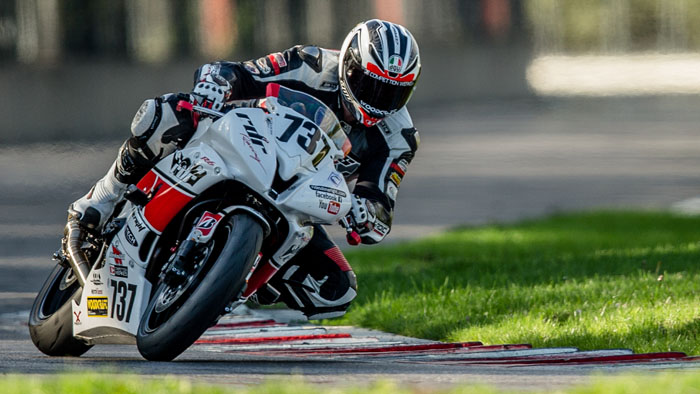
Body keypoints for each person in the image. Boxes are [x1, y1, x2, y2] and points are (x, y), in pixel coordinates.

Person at [67, 19, 421, 319]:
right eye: (368, 84)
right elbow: (237, 72)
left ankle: (232, 283)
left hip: (300, 199)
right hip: (250, 147)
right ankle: (103, 196)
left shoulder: (399, 139)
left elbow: (380, 206)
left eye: (392, 94)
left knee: (335, 290)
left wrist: (367, 212)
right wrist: (216, 84)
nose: (376, 100)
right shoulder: (310, 64)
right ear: (347, 66)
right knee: (164, 114)